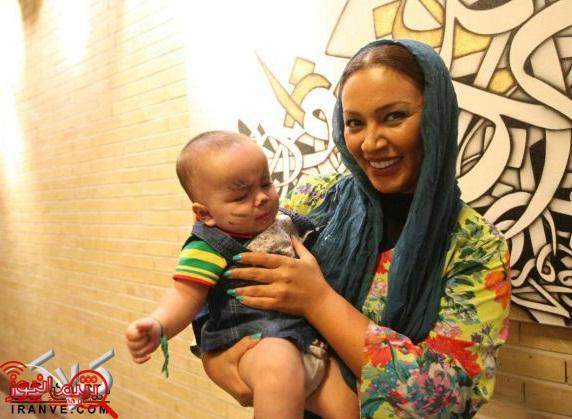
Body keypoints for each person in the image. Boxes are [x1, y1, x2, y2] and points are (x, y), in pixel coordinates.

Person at [201, 39, 511, 418]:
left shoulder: (474, 246)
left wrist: (318, 301)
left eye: (394, 116)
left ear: (436, 117)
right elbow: (223, 269)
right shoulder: (316, 200)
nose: (371, 142)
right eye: (355, 123)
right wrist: (215, 356)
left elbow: (446, 401)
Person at [125, 131, 359, 419]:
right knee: (279, 370)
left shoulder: (286, 221)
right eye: (240, 196)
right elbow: (185, 294)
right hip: (257, 343)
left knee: (354, 408)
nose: (261, 198)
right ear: (204, 214)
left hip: (311, 341)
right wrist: (159, 325)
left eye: (266, 183)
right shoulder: (208, 246)